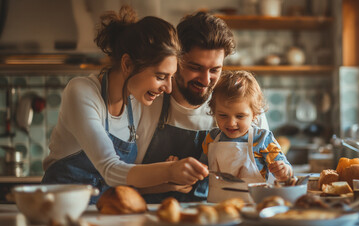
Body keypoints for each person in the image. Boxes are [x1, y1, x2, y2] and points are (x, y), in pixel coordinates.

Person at [41, 5, 208, 204]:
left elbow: (117, 183)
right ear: (127, 64)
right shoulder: (82, 92)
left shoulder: (135, 104)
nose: (168, 88)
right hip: (61, 211)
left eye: (171, 77)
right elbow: (110, 170)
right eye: (161, 76)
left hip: (106, 213)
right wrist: (168, 170)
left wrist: (169, 182)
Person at [136, 12, 269, 203]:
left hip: (222, 218)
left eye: (215, 70)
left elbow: (269, 176)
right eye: (195, 67)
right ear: (176, 61)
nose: (206, 80)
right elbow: (118, 179)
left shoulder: (241, 107)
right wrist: (164, 178)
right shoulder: (148, 103)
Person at [198, 71, 293, 202]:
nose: (231, 123)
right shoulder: (211, 139)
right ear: (214, 112)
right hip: (217, 206)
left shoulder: (262, 139)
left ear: (254, 115)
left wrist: (284, 171)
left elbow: (287, 173)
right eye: (223, 115)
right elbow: (201, 171)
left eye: (240, 116)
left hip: (252, 206)